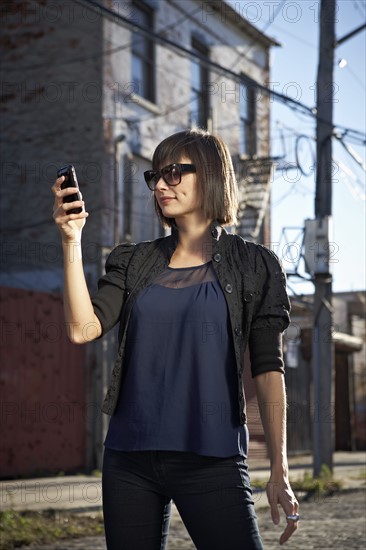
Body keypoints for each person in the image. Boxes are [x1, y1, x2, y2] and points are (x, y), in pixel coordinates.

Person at [52, 129, 299, 549]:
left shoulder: (254, 264)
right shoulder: (133, 261)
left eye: (174, 172)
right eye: (155, 176)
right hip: (129, 459)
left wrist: (279, 469)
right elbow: (83, 328)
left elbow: (267, 368)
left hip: (213, 458)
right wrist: (71, 240)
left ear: (211, 175)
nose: (161, 184)